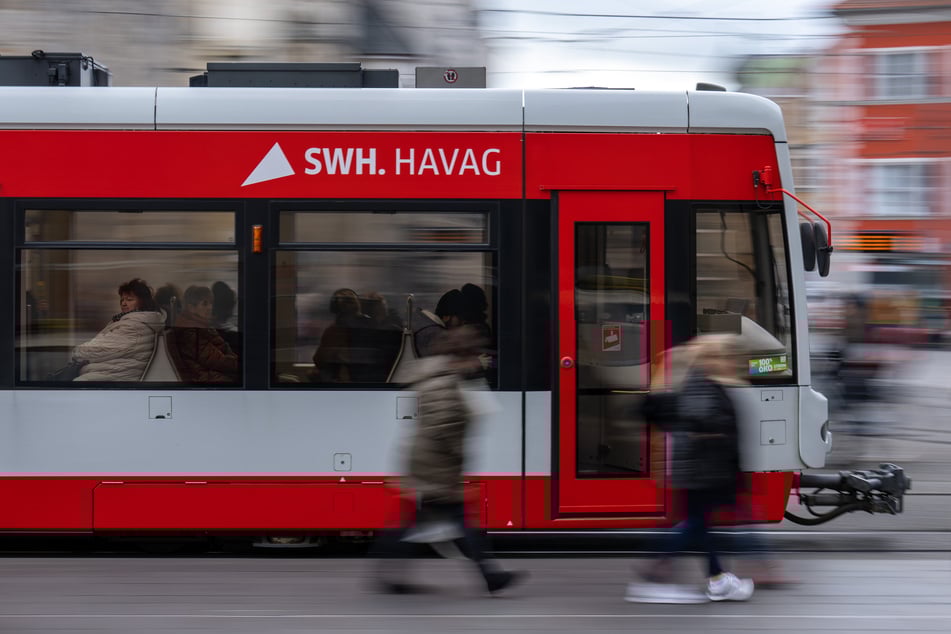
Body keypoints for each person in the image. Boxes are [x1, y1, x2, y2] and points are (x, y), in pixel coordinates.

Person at [370, 325, 525, 595]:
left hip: (430, 462)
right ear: (462, 355)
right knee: (461, 522)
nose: (478, 361)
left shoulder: (445, 377)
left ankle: (388, 576)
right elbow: (443, 426)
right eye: (475, 355)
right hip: (435, 466)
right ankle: (490, 576)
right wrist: (457, 459)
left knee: (420, 522)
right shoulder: (444, 381)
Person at [626, 334, 754, 603]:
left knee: (699, 525)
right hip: (703, 472)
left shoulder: (706, 385)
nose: (731, 362)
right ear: (711, 360)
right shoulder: (703, 387)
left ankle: (718, 579)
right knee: (694, 525)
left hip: (703, 470)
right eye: (724, 357)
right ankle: (650, 578)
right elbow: (702, 424)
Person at [72, 278, 165, 381]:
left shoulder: (133, 327)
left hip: (116, 375)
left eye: (129, 300)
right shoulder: (133, 322)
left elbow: (100, 349)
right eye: (122, 300)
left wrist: (77, 352)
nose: (124, 303)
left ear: (143, 302)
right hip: (113, 370)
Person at [167, 285, 239, 383]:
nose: (210, 307)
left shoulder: (201, 325)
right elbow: (214, 360)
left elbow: (221, 348)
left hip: (210, 373)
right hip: (205, 377)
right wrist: (239, 364)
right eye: (204, 304)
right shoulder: (189, 331)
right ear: (191, 307)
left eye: (211, 303)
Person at [313, 288, 372, 383]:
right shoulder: (334, 331)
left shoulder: (370, 325)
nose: (353, 304)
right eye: (346, 302)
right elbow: (320, 360)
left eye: (352, 299)